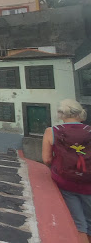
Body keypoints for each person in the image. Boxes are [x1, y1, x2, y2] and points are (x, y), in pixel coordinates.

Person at [43, 99, 91, 243]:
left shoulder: (52, 131)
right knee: (89, 219)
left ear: (61, 114)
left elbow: (46, 159)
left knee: (78, 223)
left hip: (65, 182)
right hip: (89, 182)